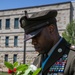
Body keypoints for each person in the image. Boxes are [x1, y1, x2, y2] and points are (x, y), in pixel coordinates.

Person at [20, 10, 75, 75]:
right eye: (32, 38)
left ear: (51, 29)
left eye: (36, 36)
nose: (33, 42)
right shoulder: (39, 58)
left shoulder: (72, 57)